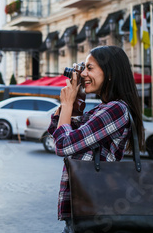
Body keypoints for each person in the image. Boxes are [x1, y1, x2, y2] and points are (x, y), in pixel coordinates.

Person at [47, 46, 145, 233]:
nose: (83, 74)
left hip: (95, 211)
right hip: (84, 210)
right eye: (83, 68)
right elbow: (57, 131)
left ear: (109, 73)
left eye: (90, 68)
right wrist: (75, 103)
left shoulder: (116, 110)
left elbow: (63, 145)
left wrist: (67, 103)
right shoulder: (102, 109)